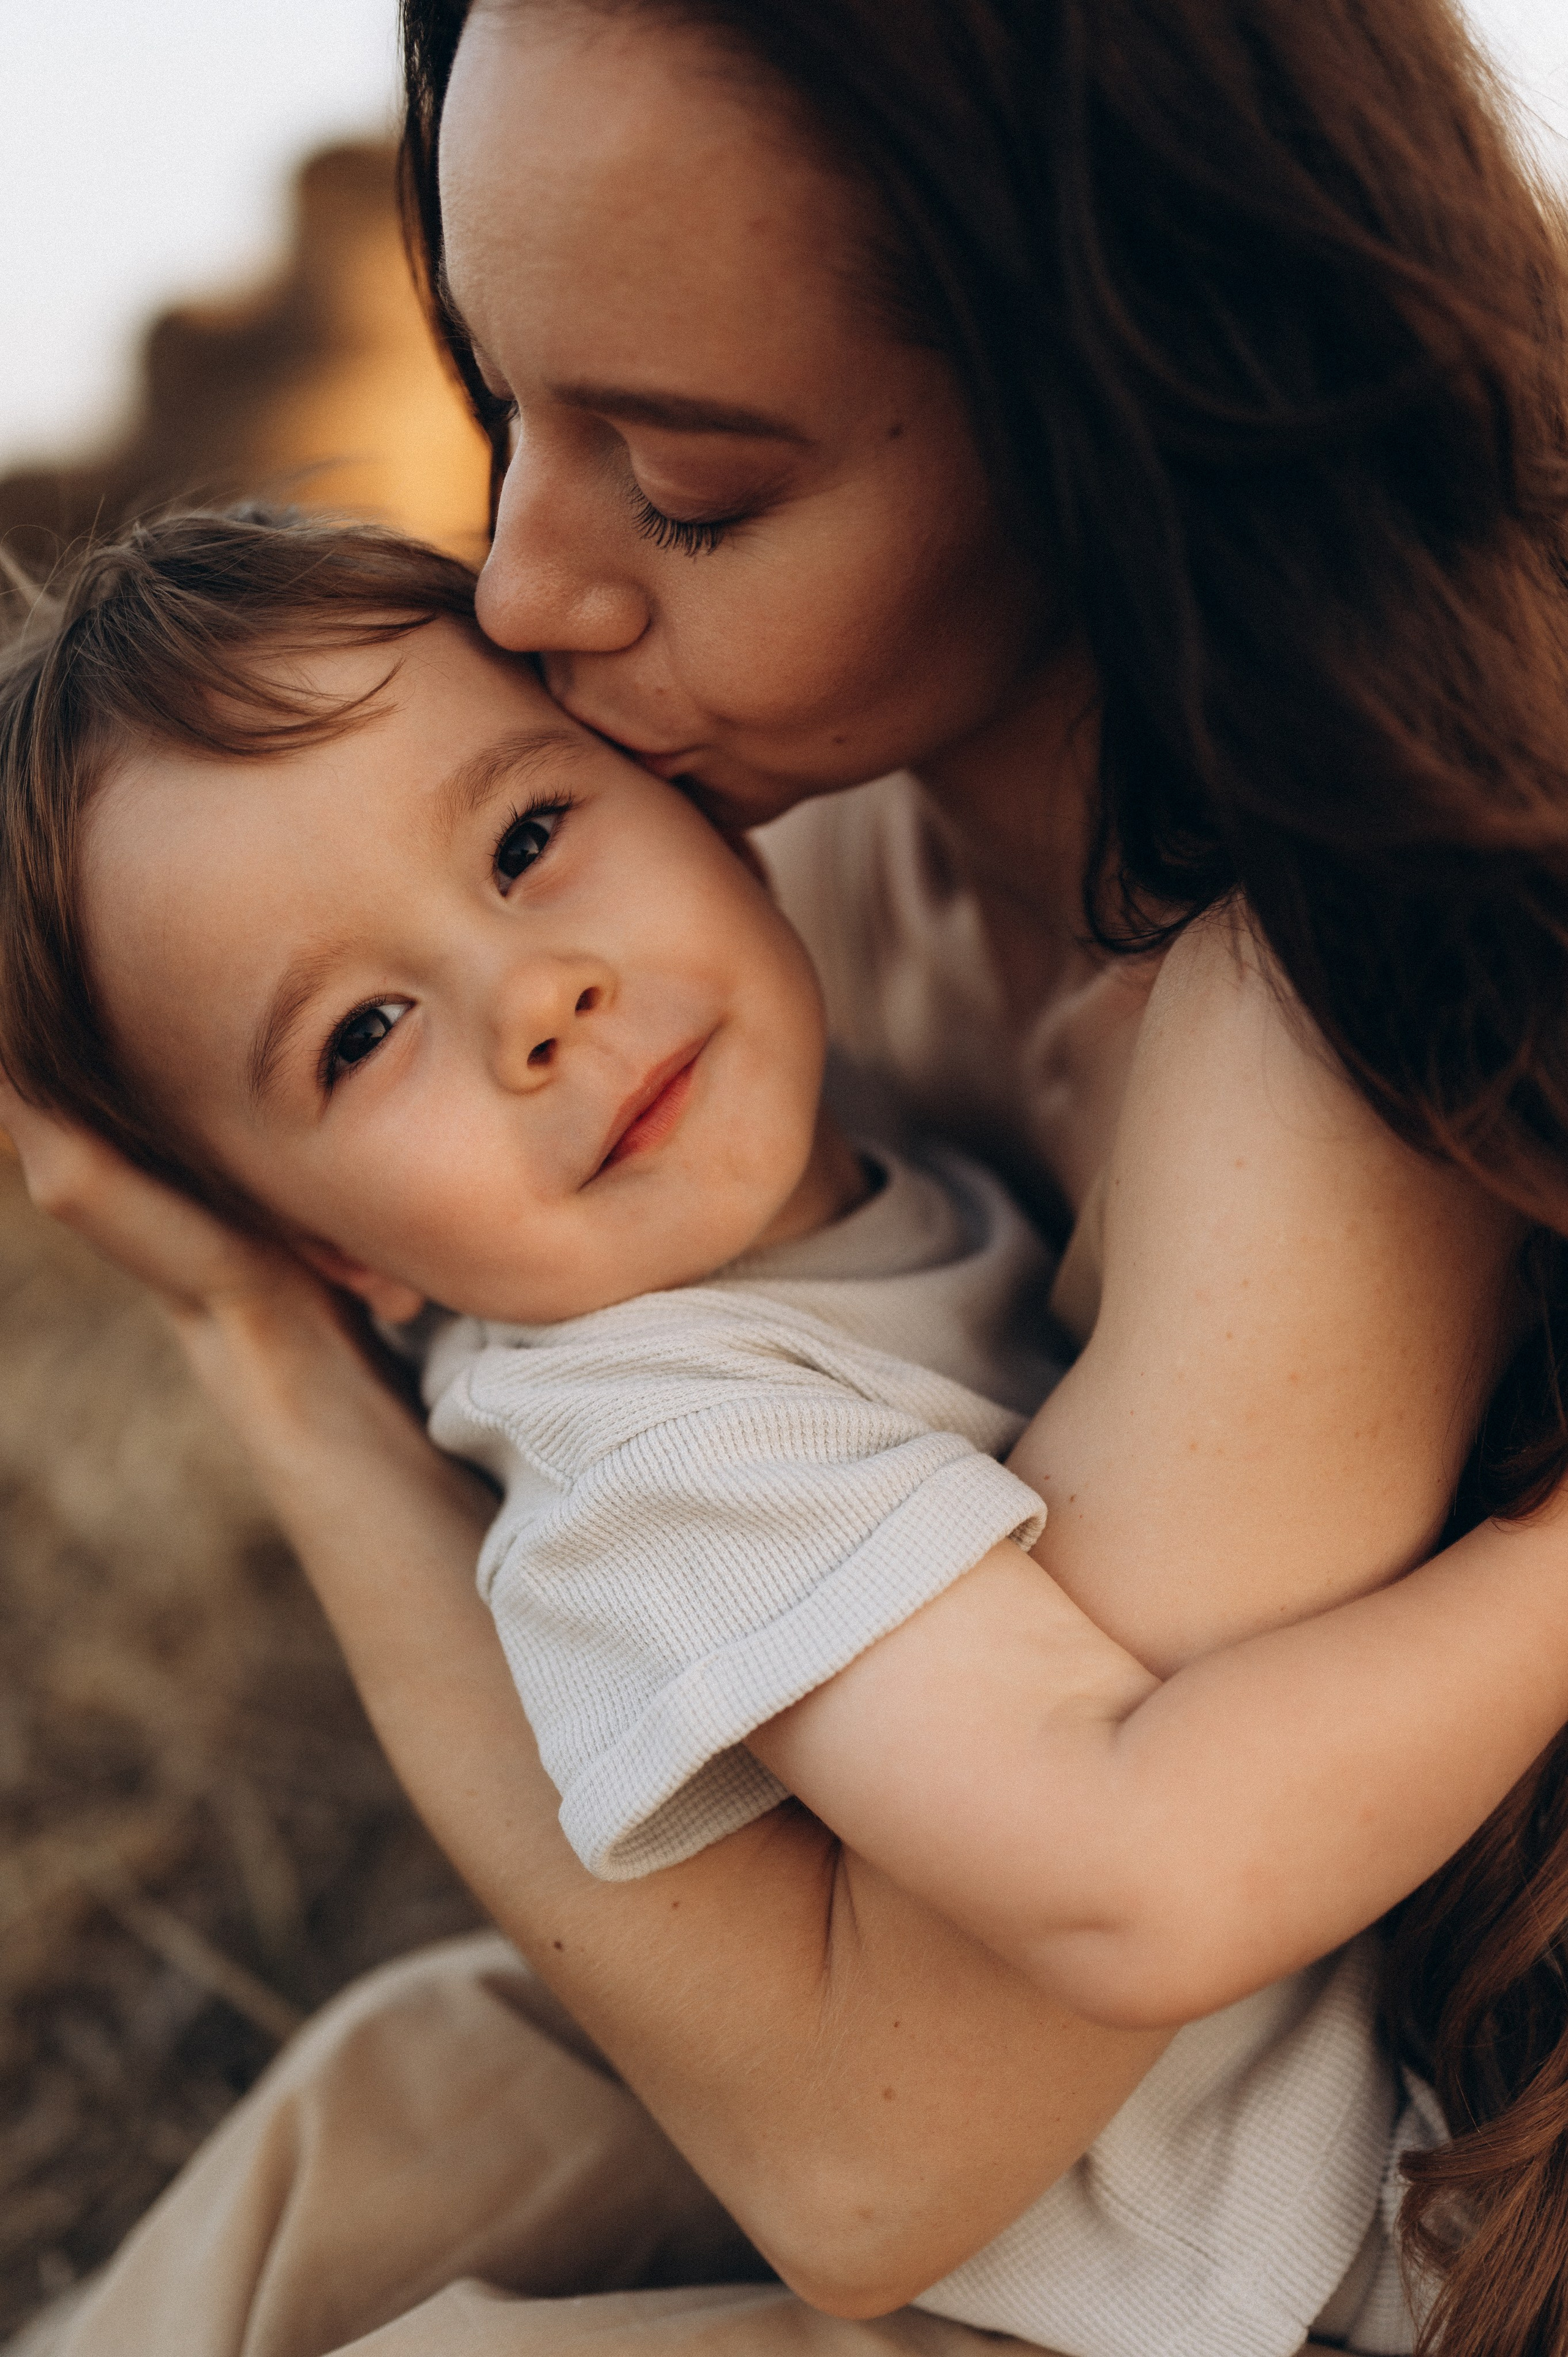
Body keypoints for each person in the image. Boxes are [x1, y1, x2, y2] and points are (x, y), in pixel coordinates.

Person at [2, 1, 1566, 2353]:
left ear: (1102, 406)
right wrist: (281, 1344)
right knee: (417, 2087)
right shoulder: (756, 879)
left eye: (694, 484)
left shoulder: (1288, 1023)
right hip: (1110, 2179)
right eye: (505, 405)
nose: (521, 590)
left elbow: (877, 2150)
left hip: (1269, 2265)